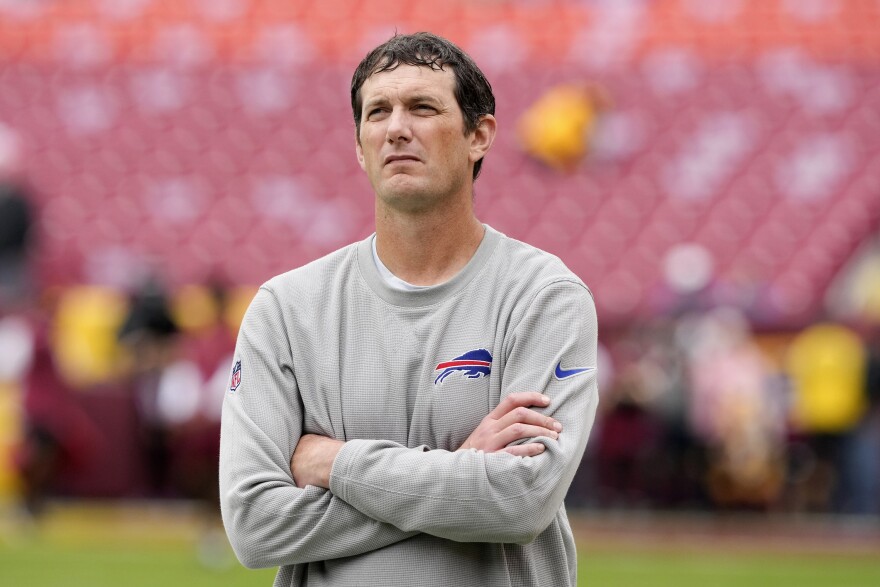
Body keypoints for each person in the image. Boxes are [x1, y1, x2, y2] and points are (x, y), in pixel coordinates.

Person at [220, 32, 599, 587]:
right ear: (358, 144)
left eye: (423, 107)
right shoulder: (286, 309)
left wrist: (334, 464)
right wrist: (459, 470)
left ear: (480, 135)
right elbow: (255, 526)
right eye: (378, 112)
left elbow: (520, 502)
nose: (397, 127)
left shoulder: (544, 297)